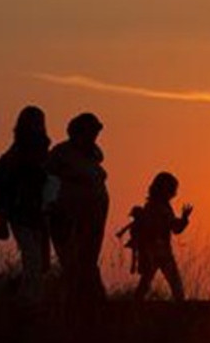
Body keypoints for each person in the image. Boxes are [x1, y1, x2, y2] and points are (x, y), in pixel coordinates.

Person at [0, 106, 50, 299]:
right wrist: (3, 220)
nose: (37, 126)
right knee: (33, 262)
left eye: (39, 122)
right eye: (33, 122)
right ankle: (26, 304)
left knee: (42, 265)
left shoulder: (42, 151)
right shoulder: (18, 152)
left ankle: (14, 297)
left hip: (39, 215)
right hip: (21, 214)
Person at [45, 112, 109, 306]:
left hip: (94, 216)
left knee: (88, 260)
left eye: (96, 132)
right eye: (91, 131)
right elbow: (48, 182)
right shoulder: (61, 153)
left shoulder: (94, 156)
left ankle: (89, 302)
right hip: (67, 216)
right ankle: (71, 302)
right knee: (72, 262)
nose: (95, 136)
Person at [123, 172, 193, 302]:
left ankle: (133, 312)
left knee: (144, 286)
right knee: (176, 287)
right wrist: (184, 219)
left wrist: (184, 218)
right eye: (173, 189)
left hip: (152, 252)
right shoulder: (161, 208)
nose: (174, 193)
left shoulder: (151, 206)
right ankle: (183, 314)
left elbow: (173, 227)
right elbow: (175, 228)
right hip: (160, 253)